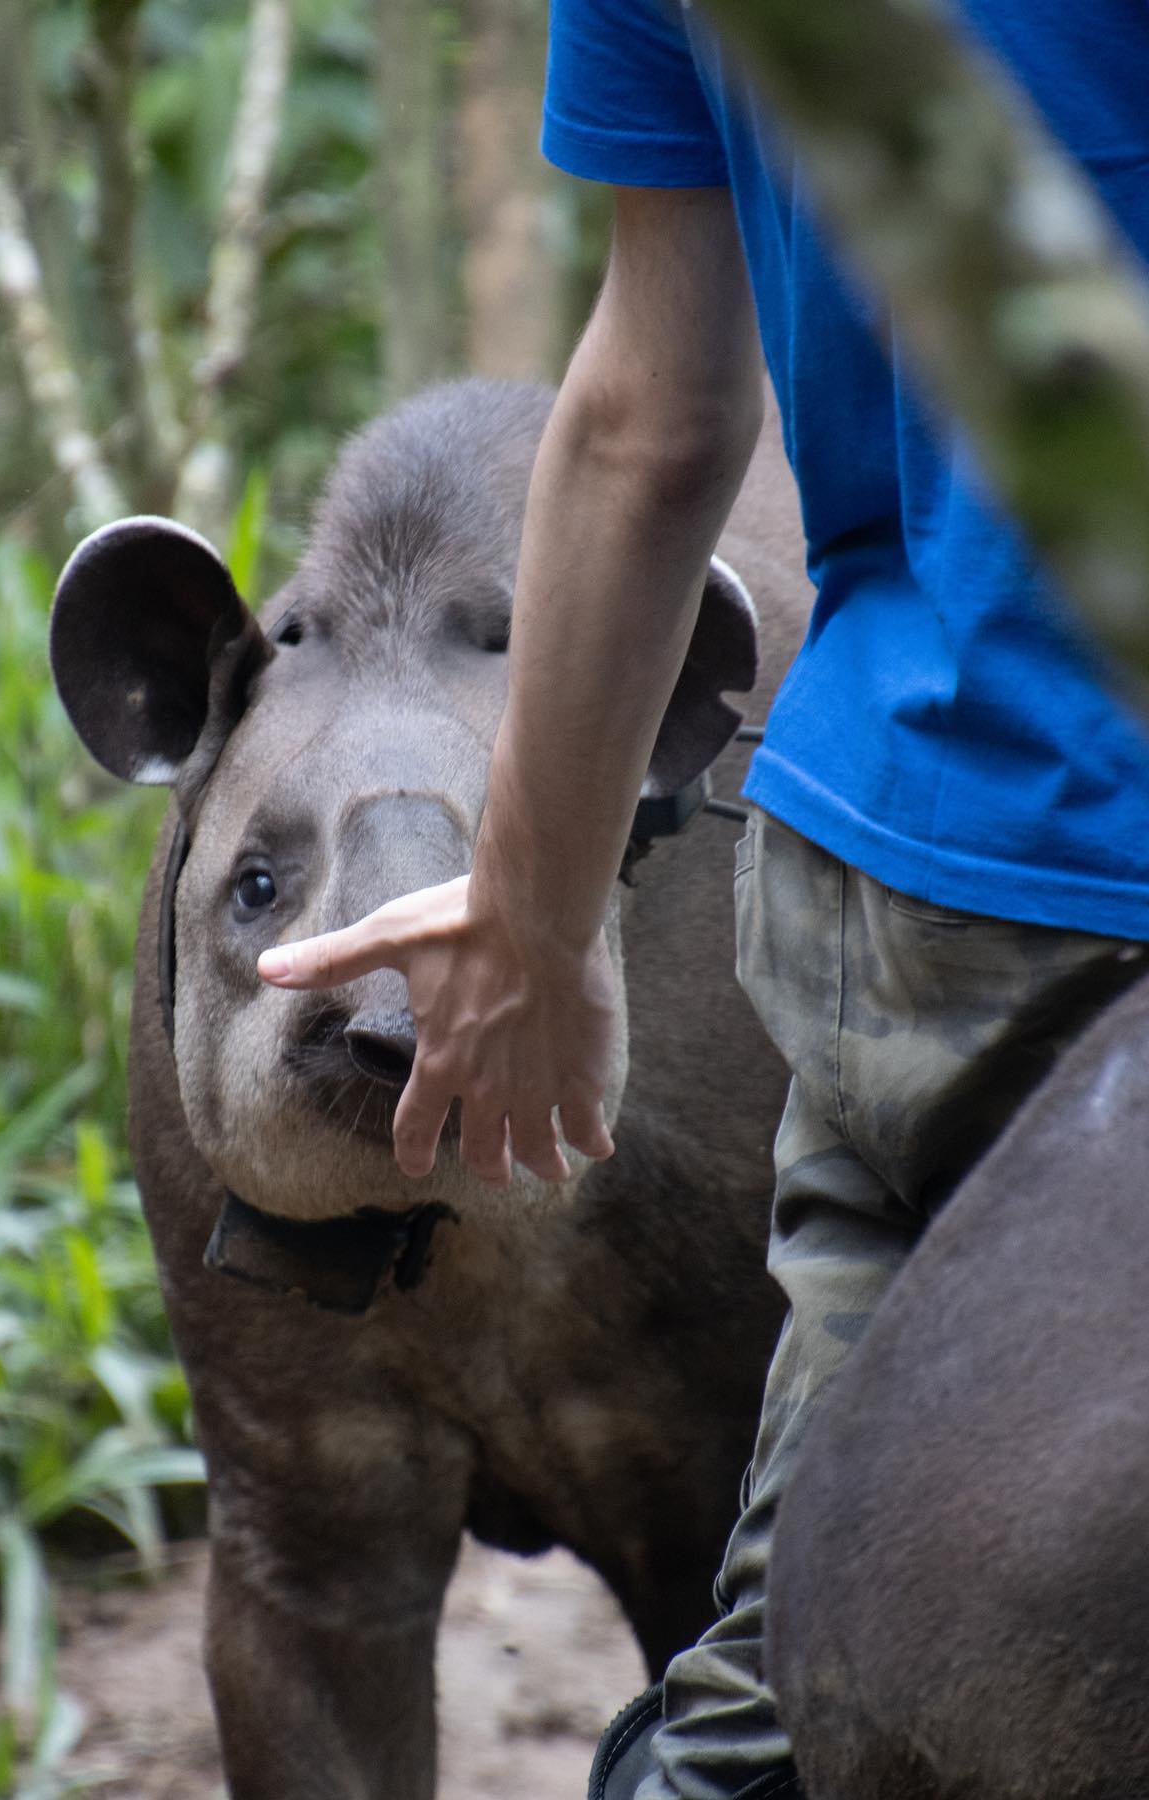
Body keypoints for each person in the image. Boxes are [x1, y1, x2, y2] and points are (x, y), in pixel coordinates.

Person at [257, 2, 1149, 1795]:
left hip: (881, 867)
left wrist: (542, 916)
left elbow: (649, 414)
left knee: (789, 1659)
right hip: (1103, 867)